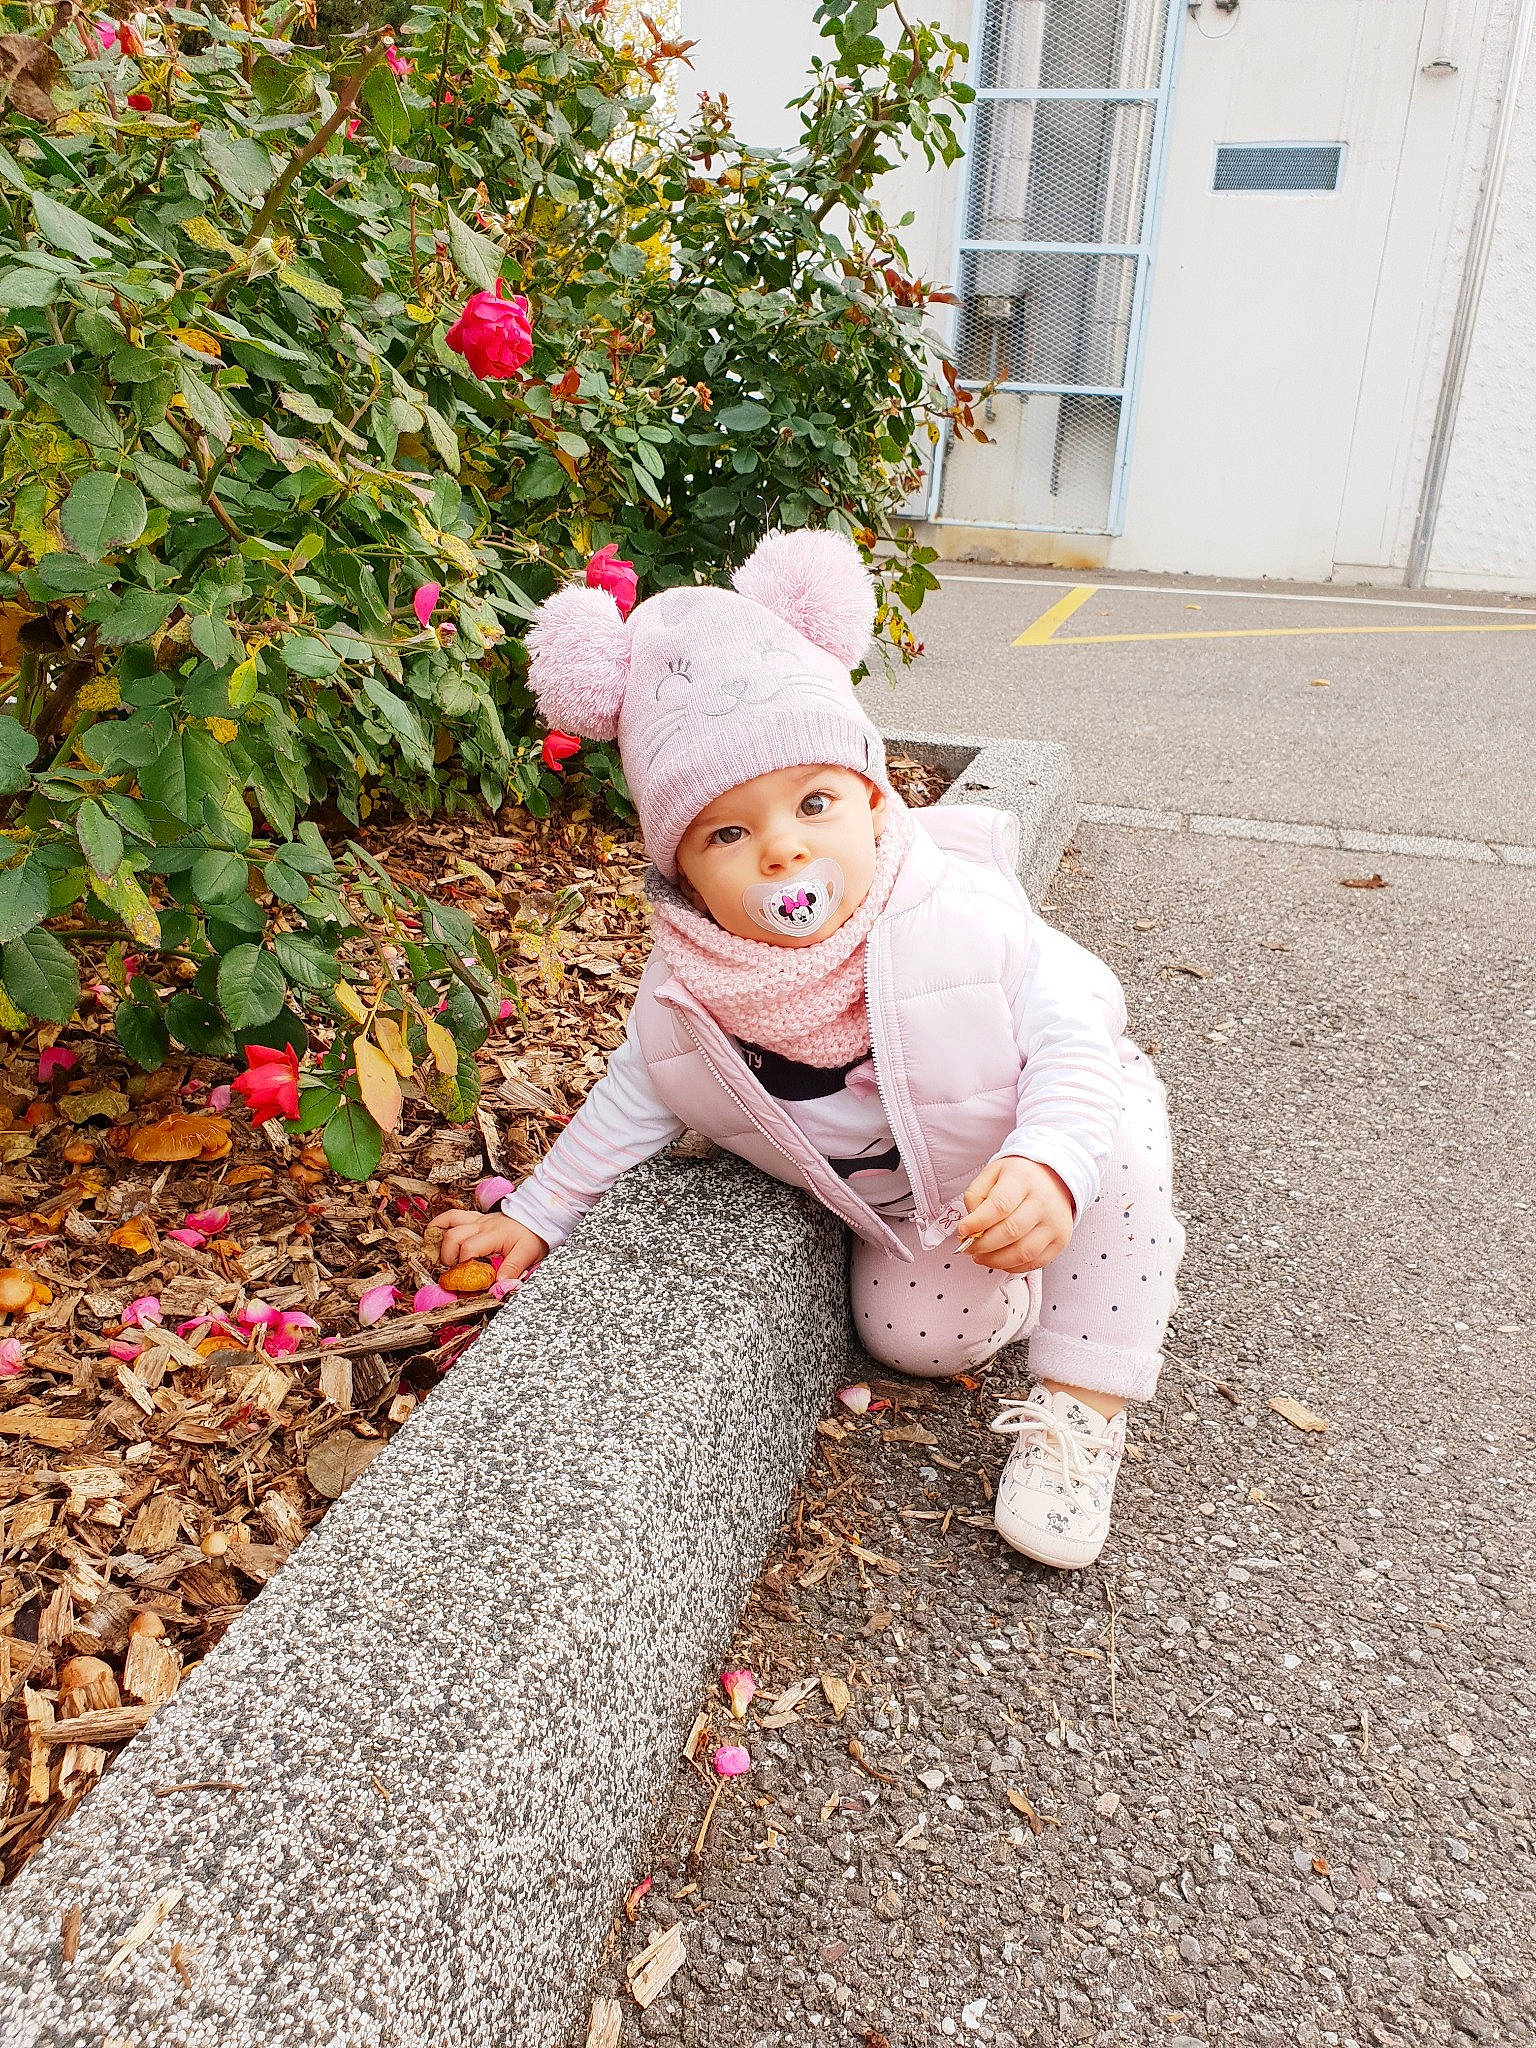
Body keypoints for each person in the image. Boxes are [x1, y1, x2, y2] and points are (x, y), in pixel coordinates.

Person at [435, 531, 1184, 1570]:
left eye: (814, 802)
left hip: (1056, 1115)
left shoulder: (954, 911)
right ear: (684, 874)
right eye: (727, 834)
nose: (783, 846)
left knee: (1120, 1165)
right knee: (913, 1339)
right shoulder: (694, 996)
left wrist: (1054, 1156)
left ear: (876, 804)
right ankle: (1026, 1280)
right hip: (929, 1200)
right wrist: (536, 1215)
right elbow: (637, 1094)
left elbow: (1073, 1025)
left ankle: (1083, 1404)